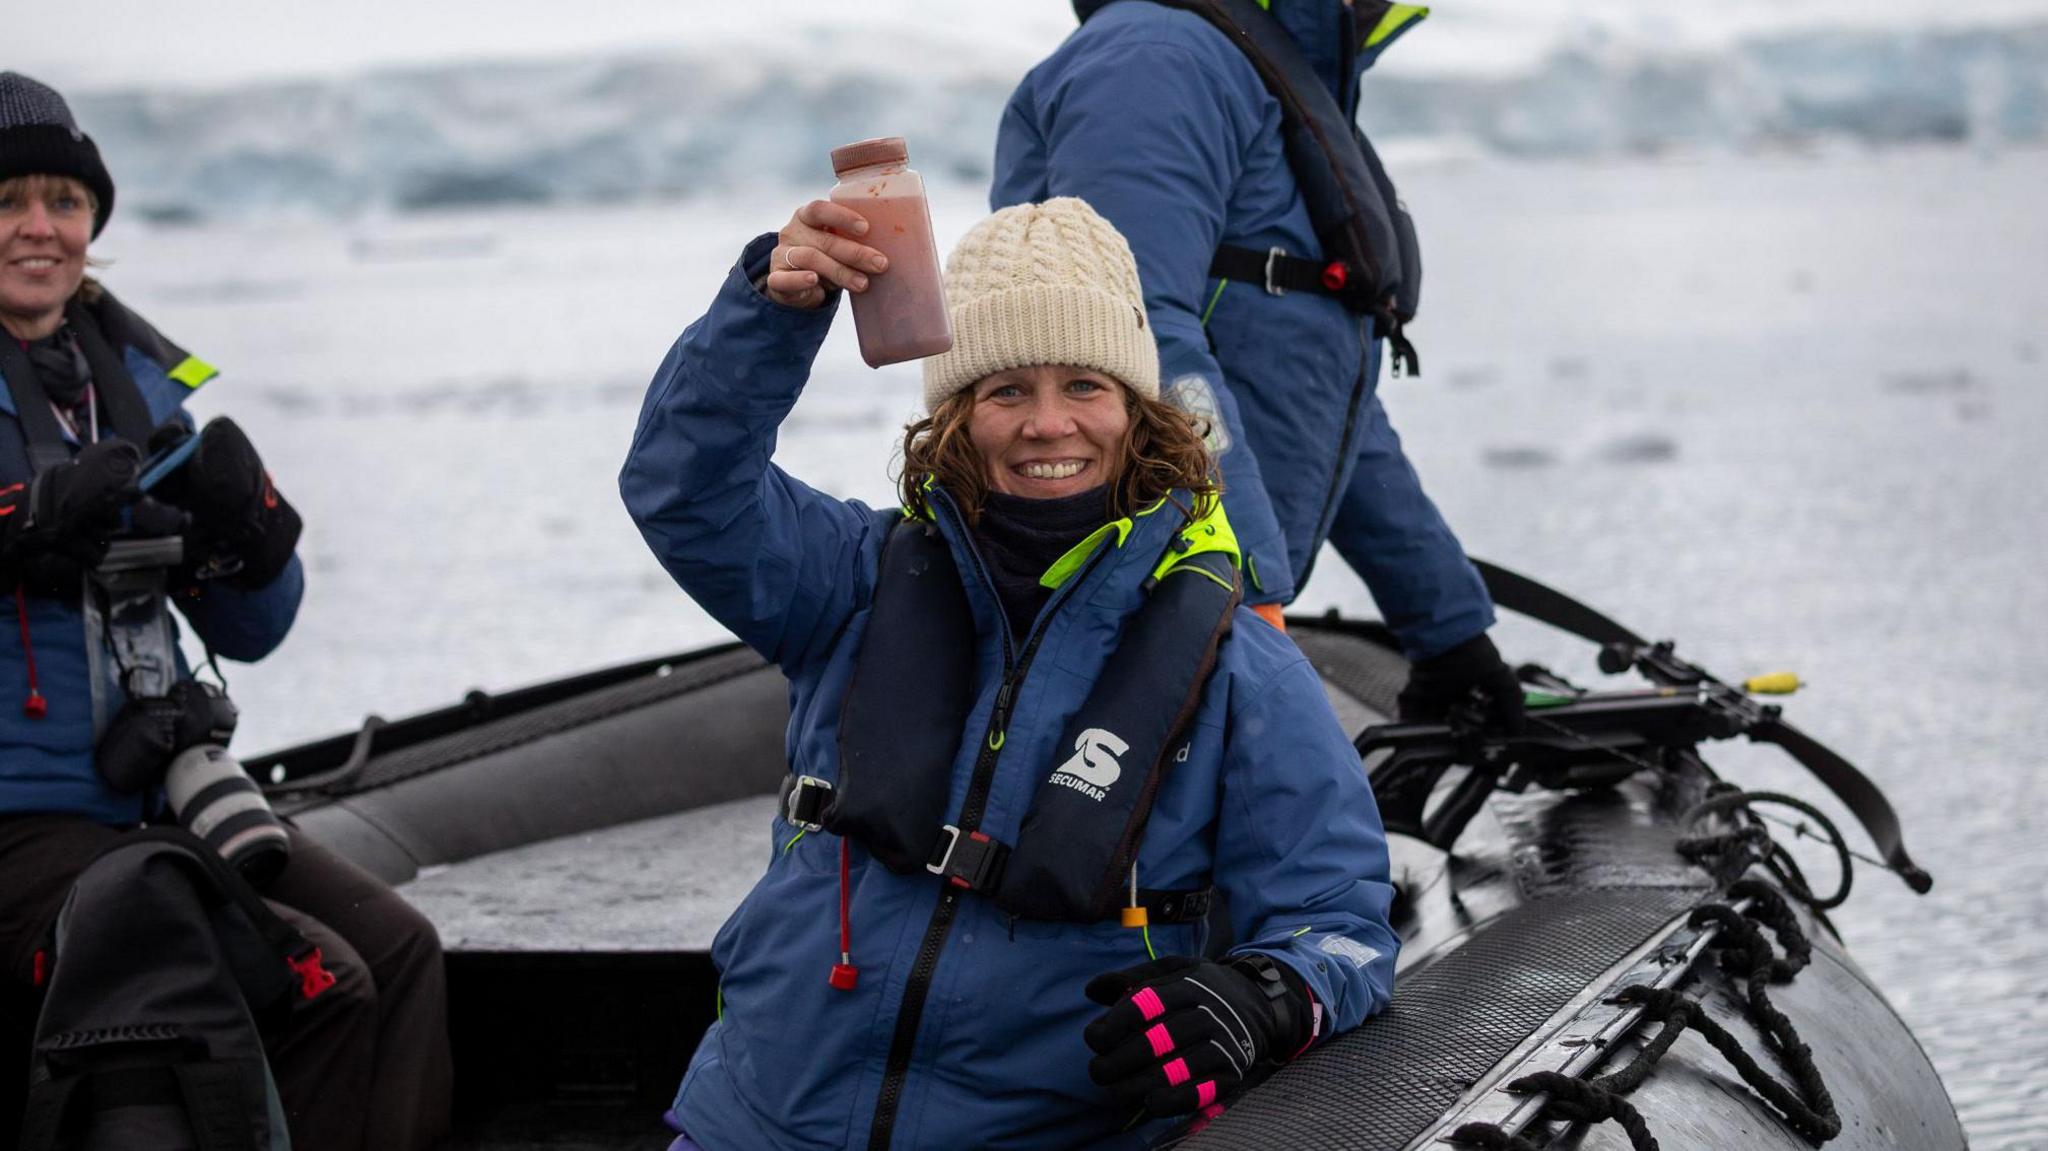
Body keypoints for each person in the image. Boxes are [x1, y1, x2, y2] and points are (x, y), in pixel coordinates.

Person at [620, 194, 1399, 1150]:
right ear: (955, 415)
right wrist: (769, 316)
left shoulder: (1242, 668)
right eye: (1005, 390)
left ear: (1137, 411)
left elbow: (1340, 926)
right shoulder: (849, 582)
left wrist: (1257, 997)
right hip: (755, 1123)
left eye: (1084, 384)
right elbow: (685, 488)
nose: (1047, 424)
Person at [0, 72, 451, 1150]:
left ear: (93, 221)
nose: (39, 227)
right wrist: (28, 518)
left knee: (401, 949)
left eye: (64, 202)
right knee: (321, 983)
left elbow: (257, 628)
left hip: (158, 797)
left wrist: (245, 536)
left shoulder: (140, 385)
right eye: (9, 200)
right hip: (24, 823)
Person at [991, 0, 1525, 729]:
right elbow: (1135, 333)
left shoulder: (1267, 69)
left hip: (1200, 597)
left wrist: (1449, 630)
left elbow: (1333, 409)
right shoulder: (1158, 58)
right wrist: (1242, 587)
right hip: (1132, 612)